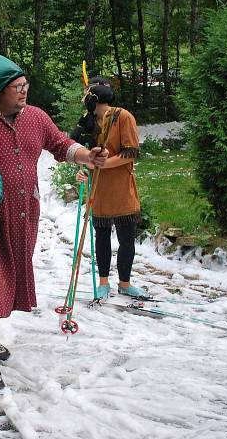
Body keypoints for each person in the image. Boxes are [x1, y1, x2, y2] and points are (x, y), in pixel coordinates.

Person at [0, 54, 108, 394]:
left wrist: (86, 155)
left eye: (25, 85)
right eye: (17, 87)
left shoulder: (36, 118)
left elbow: (60, 144)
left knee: (3, 280)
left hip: (23, 215)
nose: (24, 91)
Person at [73, 82, 146, 299]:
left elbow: (131, 152)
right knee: (102, 236)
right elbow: (81, 152)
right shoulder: (87, 122)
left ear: (94, 100)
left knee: (126, 238)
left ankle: (125, 283)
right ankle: (103, 282)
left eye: (86, 97)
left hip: (122, 186)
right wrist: (83, 168)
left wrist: (103, 163)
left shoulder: (123, 117)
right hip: (98, 187)